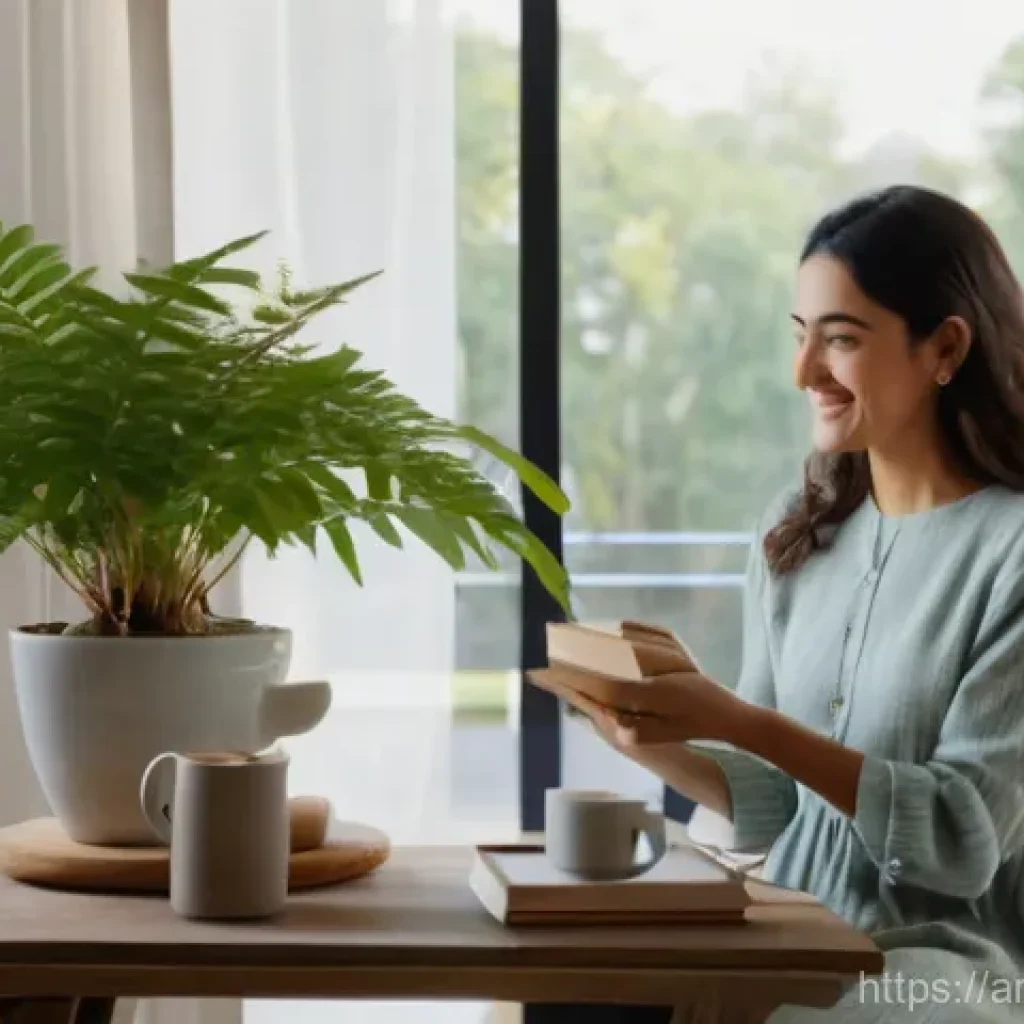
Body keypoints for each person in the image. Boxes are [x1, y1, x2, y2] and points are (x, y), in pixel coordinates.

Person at [557, 185, 1024, 1022]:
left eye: (840, 340)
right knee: (558, 1000)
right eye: (800, 336)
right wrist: (646, 734)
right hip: (785, 931)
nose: (803, 372)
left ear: (944, 347)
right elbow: (775, 798)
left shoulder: (1012, 552)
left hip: (937, 969)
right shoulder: (795, 531)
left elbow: (961, 838)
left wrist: (737, 719)